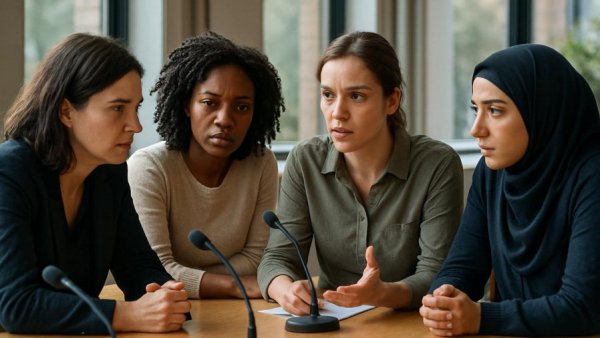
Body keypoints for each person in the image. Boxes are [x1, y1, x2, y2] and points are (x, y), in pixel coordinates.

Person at [257, 31, 464, 315]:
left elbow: (437, 272)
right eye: (328, 95)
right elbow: (277, 258)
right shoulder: (305, 161)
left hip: (411, 324)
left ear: (391, 101)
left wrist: (382, 294)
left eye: (356, 96)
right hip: (334, 322)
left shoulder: (437, 164)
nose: (337, 112)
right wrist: (285, 290)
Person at [0, 33, 191, 334]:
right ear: (66, 112)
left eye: (136, 108)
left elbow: (139, 266)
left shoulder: (108, 172)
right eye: (118, 108)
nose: (136, 126)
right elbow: (15, 306)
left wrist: (166, 296)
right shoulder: (9, 172)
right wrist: (127, 315)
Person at [420, 44, 600, 336]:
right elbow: (463, 266)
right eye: (475, 109)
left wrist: (481, 317)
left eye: (494, 110)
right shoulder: (492, 173)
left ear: (540, 110)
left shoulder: (592, 175)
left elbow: (583, 307)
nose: (476, 129)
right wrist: (442, 298)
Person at [127, 31, 283, 300]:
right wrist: (235, 284)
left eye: (242, 107)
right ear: (187, 104)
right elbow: (154, 270)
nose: (225, 119)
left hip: (234, 309)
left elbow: (257, 258)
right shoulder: (149, 167)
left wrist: (190, 278)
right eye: (210, 103)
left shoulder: (261, 163)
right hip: (170, 311)